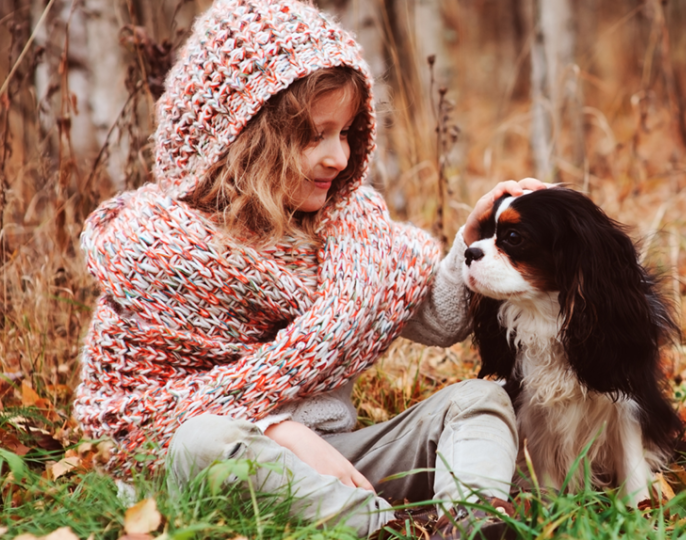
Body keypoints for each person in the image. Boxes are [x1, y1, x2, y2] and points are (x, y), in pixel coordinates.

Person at [72, 0, 545, 537]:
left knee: (478, 399)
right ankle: (373, 527)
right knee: (202, 441)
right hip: (236, 465)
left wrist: (471, 239)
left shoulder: (350, 233)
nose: (338, 158)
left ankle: (472, 518)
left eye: (344, 133)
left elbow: (438, 318)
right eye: (313, 136)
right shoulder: (156, 255)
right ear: (240, 140)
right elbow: (131, 426)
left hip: (343, 462)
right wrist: (273, 429)